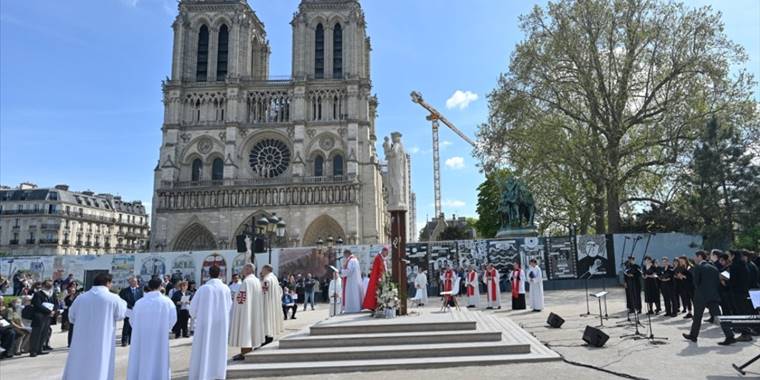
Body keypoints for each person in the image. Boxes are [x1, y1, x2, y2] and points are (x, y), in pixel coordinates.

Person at [62, 273, 127, 380]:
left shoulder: (81, 298)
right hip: (102, 338)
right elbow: (120, 315)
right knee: (100, 364)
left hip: (82, 338)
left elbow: (71, 317)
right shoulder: (113, 298)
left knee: (79, 364)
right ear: (108, 283)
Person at [682, 251, 736, 345]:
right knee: (719, 317)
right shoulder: (714, 268)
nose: (694, 258)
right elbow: (718, 282)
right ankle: (730, 335)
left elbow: (696, 283)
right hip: (713, 295)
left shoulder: (699, 267)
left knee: (697, 317)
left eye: (695, 256)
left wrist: (700, 291)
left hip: (701, 296)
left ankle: (693, 336)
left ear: (699, 257)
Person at [127, 278, 177, 380]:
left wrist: (139, 329)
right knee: (159, 361)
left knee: (142, 360)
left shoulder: (139, 303)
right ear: (161, 286)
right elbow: (173, 319)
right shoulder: (167, 302)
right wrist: (166, 328)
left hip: (142, 337)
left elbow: (132, 321)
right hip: (160, 336)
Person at [188, 265, 232, 380]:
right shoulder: (225, 289)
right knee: (218, 348)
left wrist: (198, 316)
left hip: (205, 324)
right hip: (221, 325)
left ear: (209, 274)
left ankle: (203, 373)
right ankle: (218, 373)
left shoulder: (203, 289)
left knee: (204, 347)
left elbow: (192, 309)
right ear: (220, 274)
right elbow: (229, 307)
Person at [229, 263, 264, 361]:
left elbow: (241, 298)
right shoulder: (257, 281)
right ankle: (248, 350)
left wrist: (234, 297)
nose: (243, 271)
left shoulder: (246, 282)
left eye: (244, 269)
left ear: (249, 269)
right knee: (250, 330)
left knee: (245, 330)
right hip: (254, 309)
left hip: (246, 310)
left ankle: (245, 352)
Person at [727, 250, 754, 342]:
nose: (728, 257)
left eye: (729, 255)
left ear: (733, 256)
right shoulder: (744, 265)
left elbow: (733, 281)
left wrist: (725, 281)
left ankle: (745, 334)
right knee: (744, 313)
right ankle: (747, 332)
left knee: (740, 313)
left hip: (737, 293)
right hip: (744, 292)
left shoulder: (734, 266)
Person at [29, 280, 55, 357]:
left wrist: (54, 310)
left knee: (44, 333)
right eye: (48, 284)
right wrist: (48, 311)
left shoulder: (51, 294)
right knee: (36, 334)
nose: (49, 286)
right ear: (43, 285)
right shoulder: (38, 294)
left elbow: (56, 303)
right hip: (39, 316)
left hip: (47, 316)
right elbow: (37, 305)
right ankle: (33, 351)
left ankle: (40, 349)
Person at [260, 264, 283, 345]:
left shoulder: (267, 279)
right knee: (270, 319)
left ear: (266, 269)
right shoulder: (274, 278)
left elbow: (263, 293)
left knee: (266, 320)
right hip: (272, 302)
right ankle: (269, 335)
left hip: (266, 303)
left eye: (262, 269)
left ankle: (266, 336)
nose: (261, 271)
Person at [119, 276, 143, 347]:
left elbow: (142, 299)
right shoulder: (124, 291)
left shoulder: (140, 290)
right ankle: (124, 341)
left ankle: (131, 340)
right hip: (128, 310)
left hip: (137, 311)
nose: (135, 282)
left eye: (136, 281)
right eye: (133, 281)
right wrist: (130, 306)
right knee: (126, 325)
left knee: (134, 326)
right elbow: (122, 300)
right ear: (129, 282)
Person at [61, 282, 78, 347]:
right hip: (69, 313)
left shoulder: (78, 296)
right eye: (72, 287)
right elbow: (64, 304)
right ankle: (70, 343)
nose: (73, 289)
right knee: (71, 328)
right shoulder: (67, 297)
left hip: (76, 313)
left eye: (74, 286)